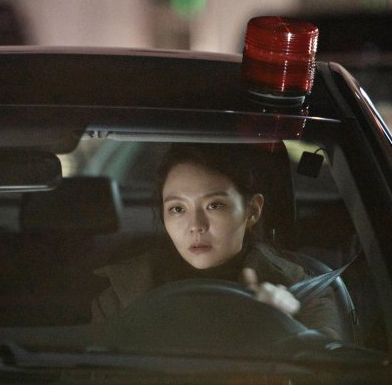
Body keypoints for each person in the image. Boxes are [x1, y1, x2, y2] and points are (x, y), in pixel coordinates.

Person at [91, 143, 343, 340]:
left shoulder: (303, 294)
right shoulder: (123, 293)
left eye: (214, 205)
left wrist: (286, 327)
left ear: (252, 210)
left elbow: (327, 371)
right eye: (177, 209)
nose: (196, 225)